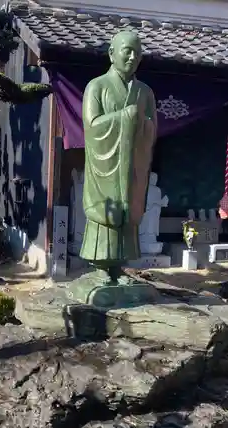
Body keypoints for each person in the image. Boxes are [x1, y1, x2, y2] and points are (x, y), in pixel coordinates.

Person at [81, 30, 157, 284]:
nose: (133, 57)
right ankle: (102, 268)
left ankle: (119, 269)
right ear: (112, 53)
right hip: (107, 168)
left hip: (132, 166)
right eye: (127, 50)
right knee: (108, 213)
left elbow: (152, 127)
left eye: (138, 52)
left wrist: (140, 125)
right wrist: (125, 118)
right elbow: (91, 127)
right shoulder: (97, 86)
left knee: (128, 214)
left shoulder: (145, 92)